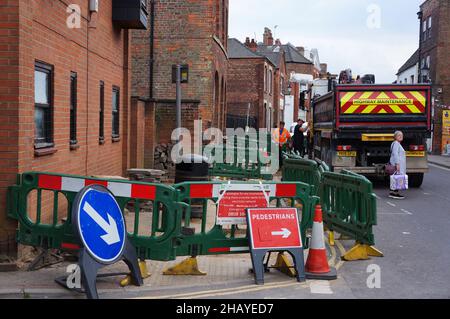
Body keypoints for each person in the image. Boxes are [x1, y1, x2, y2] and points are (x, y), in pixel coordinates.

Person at [389, 131, 407, 200]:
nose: (401, 136)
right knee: (397, 177)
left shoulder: (396, 143)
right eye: (399, 135)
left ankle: (393, 192)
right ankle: (394, 193)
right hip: (397, 164)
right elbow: (395, 154)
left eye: (401, 135)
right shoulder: (396, 143)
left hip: (397, 164)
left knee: (395, 177)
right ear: (395, 137)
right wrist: (397, 164)